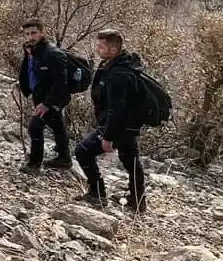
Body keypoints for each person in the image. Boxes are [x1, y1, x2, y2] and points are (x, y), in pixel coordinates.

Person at [74, 29, 147, 211]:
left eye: (101, 46)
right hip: (130, 125)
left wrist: (108, 136)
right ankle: (138, 201)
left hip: (119, 126)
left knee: (83, 151)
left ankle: (97, 194)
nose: (97, 49)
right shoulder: (125, 64)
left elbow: (117, 109)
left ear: (113, 50)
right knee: (131, 160)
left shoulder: (118, 74)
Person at [18, 18, 71, 174]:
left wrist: (47, 103)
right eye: (27, 34)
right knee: (57, 124)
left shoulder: (53, 53)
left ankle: (34, 164)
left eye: (33, 33)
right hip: (41, 96)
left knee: (35, 127)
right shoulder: (32, 50)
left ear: (42, 32)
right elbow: (29, 71)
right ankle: (64, 158)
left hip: (54, 98)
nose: (30, 37)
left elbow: (61, 83)